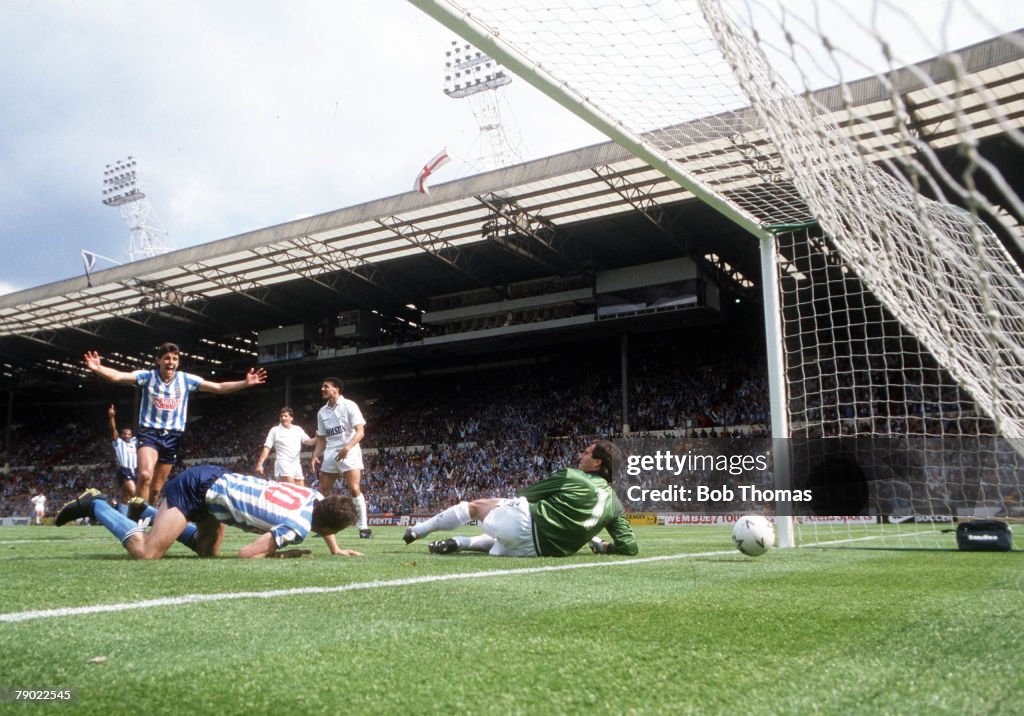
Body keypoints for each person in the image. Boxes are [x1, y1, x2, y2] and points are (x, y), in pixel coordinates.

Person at [83, 343, 267, 505]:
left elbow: (218, 388)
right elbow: (118, 377)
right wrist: (98, 368)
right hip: (149, 433)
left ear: (178, 362)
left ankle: (147, 517)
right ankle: (136, 516)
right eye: (166, 358)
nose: (170, 362)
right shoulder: (147, 377)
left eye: (174, 358)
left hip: (172, 437)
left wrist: (245, 382)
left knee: (156, 489)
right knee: (145, 475)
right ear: (158, 361)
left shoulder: (186, 380)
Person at [54, 464, 363, 560]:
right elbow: (246, 554)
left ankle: (147, 511)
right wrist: (280, 552)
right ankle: (96, 504)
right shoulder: (297, 525)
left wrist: (335, 550)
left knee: (208, 553)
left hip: (218, 489)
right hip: (197, 489)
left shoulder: (313, 496)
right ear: (324, 528)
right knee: (146, 553)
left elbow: (324, 518)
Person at [403, 440, 639, 557]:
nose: (581, 455)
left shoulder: (572, 476)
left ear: (597, 462)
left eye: (586, 453)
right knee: (500, 541)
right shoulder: (616, 504)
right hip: (540, 551)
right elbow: (630, 547)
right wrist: (606, 547)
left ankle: (417, 530)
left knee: (476, 507)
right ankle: (462, 542)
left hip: (526, 525)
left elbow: (525, 496)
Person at [310, 377, 371, 539]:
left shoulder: (350, 405)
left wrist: (347, 447)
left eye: (326, 386)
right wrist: (315, 455)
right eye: (322, 386)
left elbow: (360, 431)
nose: (322, 389)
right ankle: (322, 526)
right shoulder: (321, 412)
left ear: (336, 389)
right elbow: (322, 438)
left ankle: (364, 527)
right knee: (323, 490)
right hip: (330, 452)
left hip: (349, 450)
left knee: (354, 488)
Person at [255, 407, 316, 485]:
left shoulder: (298, 429)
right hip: (283, 462)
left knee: (300, 491)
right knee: (291, 489)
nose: (283, 418)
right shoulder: (274, 430)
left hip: (296, 464)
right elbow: (267, 448)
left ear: (291, 418)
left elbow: (309, 442)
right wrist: (260, 464)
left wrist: (319, 437)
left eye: (285, 416)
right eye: (281, 416)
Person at [108, 404, 138, 513]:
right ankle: (141, 517)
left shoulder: (135, 442)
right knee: (135, 493)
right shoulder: (118, 442)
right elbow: (113, 430)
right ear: (121, 435)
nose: (127, 436)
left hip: (135, 471)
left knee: (126, 497)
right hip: (124, 470)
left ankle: (121, 515)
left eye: (129, 434)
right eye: (125, 434)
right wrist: (112, 417)